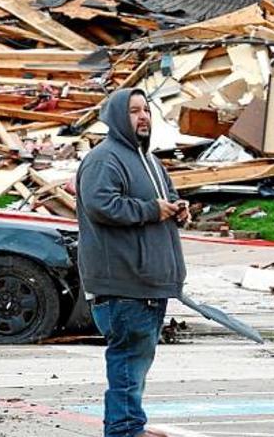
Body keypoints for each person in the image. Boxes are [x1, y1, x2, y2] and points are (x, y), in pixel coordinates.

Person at [75, 88, 190, 437]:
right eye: (133, 111)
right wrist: (151, 210)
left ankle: (128, 426)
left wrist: (177, 209)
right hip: (122, 285)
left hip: (149, 284)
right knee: (127, 364)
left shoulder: (150, 161)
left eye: (146, 110)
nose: (143, 117)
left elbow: (164, 200)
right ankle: (124, 430)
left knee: (136, 364)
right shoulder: (104, 159)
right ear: (115, 118)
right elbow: (102, 205)